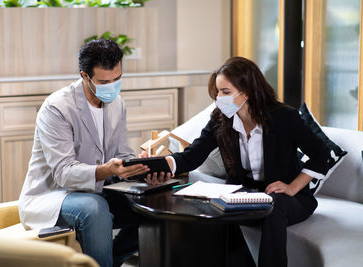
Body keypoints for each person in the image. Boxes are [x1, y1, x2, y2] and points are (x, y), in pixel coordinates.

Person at [159, 57, 333, 267]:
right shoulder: (220, 119)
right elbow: (191, 156)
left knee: (274, 204)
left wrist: (292, 187)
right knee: (210, 209)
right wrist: (157, 165)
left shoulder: (284, 117)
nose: (218, 99)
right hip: (245, 196)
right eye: (217, 93)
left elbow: (321, 154)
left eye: (225, 92)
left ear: (247, 91)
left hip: (288, 199)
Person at [18, 39, 150, 267]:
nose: (112, 87)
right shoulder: (57, 108)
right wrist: (105, 170)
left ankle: (109, 261)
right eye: (104, 81)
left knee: (150, 205)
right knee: (93, 208)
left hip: (99, 190)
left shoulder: (117, 104)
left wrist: (139, 166)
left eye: (117, 79)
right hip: (55, 196)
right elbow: (63, 173)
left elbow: (121, 152)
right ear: (84, 76)